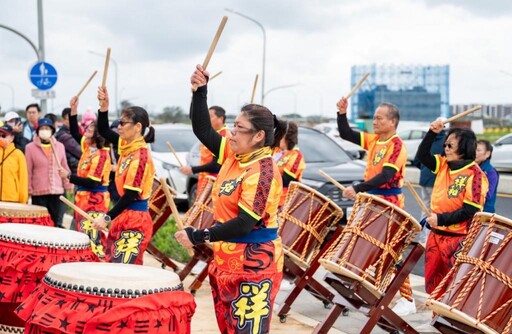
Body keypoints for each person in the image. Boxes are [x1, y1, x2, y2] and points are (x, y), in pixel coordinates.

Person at [175, 64, 287, 333]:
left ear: (259, 136)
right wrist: (200, 92)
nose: (231, 132)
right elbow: (203, 130)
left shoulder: (264, 171)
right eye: (232, 126)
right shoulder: (234, 155)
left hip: (254, 267)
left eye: (238, 128)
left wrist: (199, 235)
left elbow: (245, 223)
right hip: (226, 260)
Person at [336, 97, 416, 316]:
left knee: (392, 251)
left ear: (392, 121)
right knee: (365, 245)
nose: (375, 121)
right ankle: (365, 289)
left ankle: (408, 299)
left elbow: (387, 175)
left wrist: (358, 187)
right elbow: (346, 134)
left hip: (389, 204)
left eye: (379, 118)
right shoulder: (374, 140)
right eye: (374, 118)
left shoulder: (397, 144)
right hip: (372, 201)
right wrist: (342, 114)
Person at [417, 120, 488, 297]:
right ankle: (436, 320)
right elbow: (422, 155)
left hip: (458, 240)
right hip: (436, 236)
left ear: (463, 147)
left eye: (451, 145)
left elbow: (470, 211)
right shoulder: (442, 164)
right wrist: (432, 132)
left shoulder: (476, 175)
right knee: (434, 287)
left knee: (454, 289)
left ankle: (450, 323)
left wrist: (440, 219)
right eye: (445, 144)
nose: (446, 148)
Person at [92, 86, 156, 265]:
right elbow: (104, 130)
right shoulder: (127, 146)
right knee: (114, 266)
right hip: (124, 216)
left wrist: (106, 217)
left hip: (135, 219)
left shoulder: (141, 156)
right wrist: (104, 106)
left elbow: (130, 195)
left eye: (123, 123)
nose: (119, 127)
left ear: (137, 127)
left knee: (125, 274)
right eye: (119, 122)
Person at [58, 96, 112, 258]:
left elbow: (93, 182)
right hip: (83, 198)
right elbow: (75, 131)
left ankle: (96, 266)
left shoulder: (102, 154)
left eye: (90, 130)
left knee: (93, 238)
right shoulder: (89, 148)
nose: (86, 130)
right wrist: (74, 111)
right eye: (87, 128)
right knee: (82, 235)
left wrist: (69, 176)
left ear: (97, 134)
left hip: (95, 201)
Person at [25, 118, 72, 227]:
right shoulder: (30, 148)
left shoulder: (59, 147)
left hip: (56, 192)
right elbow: (28, 171)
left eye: (47, 128)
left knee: (56, 222)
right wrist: (28, 189)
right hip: (38, 192)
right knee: (40, 224)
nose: (44, 131)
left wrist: (68, 184)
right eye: (42, 128)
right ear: (37, 131)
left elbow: (64, 166)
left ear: (52, 131)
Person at [179, 105, 230, 200]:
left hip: (214, 183)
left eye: (210, 116)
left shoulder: (223, 136)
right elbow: (194, 118)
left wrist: (192, 169)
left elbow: (216, 166)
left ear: (221, 118)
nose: (207, 119)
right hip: (205, 180)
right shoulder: (214, 133)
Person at [412, 128, 446, 244]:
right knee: (434, 211)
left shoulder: (427, 141)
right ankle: (429, 240)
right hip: (435, 181)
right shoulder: (446, 143)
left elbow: (417, 160)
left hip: (424, 180)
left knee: (425, 209)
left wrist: (423, 169)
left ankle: (423, 239)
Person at [274, 121, 306, 208]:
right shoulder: (276, 151)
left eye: (280, 135)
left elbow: (286, 180)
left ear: (287, 136)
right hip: (269, 199)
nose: (277, 137)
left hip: (283, 202)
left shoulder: (296, 156)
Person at [0, 124, 28, 203]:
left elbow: (23, 179)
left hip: (12, 199)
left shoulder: (18, 154)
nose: (1, 138)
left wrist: (23, 201)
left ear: (12, 138)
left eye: (4, 136)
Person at [55, 108, 82, 175]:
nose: (73, 121)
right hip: (71, 171)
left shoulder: (74, 132)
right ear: (63, 120)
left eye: (74, 119)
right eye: (70, 119)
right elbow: (80, 151)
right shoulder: (64, 136)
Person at [475, 139, 499, 213]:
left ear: (487, 154)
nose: (474, 152)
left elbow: (487, 195)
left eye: (478, 150)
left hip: (485, 214)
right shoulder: (471, 168)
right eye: (474, 149)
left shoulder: (491, 172)